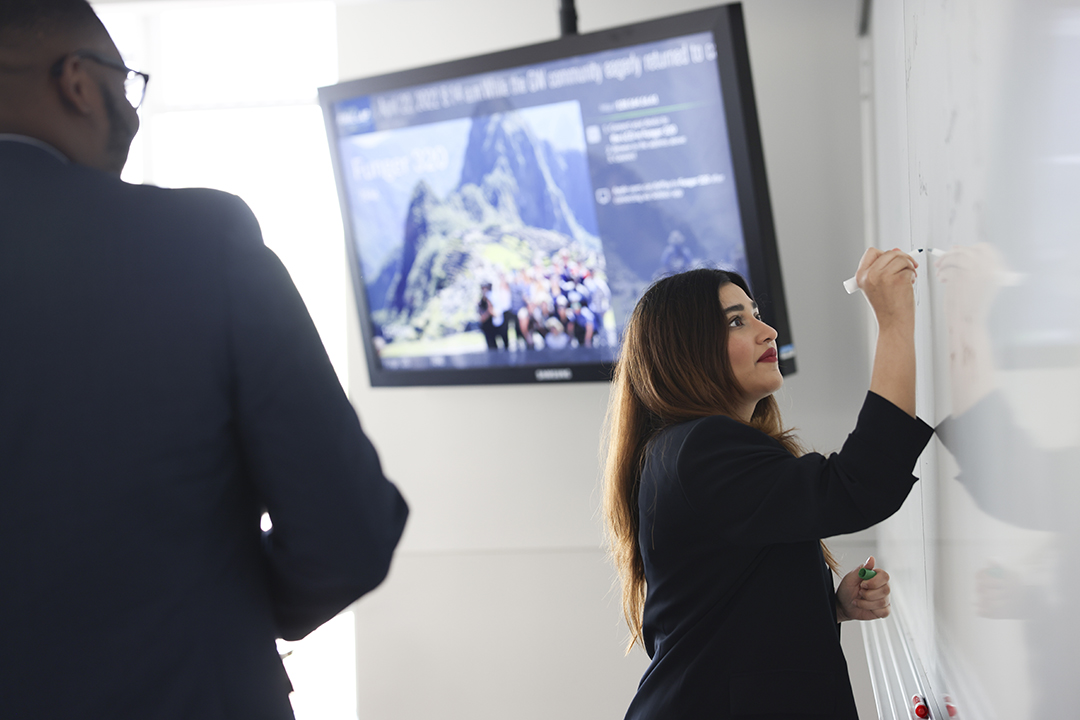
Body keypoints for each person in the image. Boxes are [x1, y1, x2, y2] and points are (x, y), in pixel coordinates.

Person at [0, 2, 408, 718]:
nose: (132, 114)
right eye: (126, 84)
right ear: (78, 83)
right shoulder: (198, 242)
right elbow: (349, 534)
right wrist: (217, 613)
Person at [602, 249, 933, 719]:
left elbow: (727, 600)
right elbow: (860, 485)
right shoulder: (701, 448)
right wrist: (895, 321)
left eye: (756, 314)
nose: (768, 330)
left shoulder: (684, 449)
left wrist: (829, 606)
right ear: (687, 351)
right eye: (736, 321)